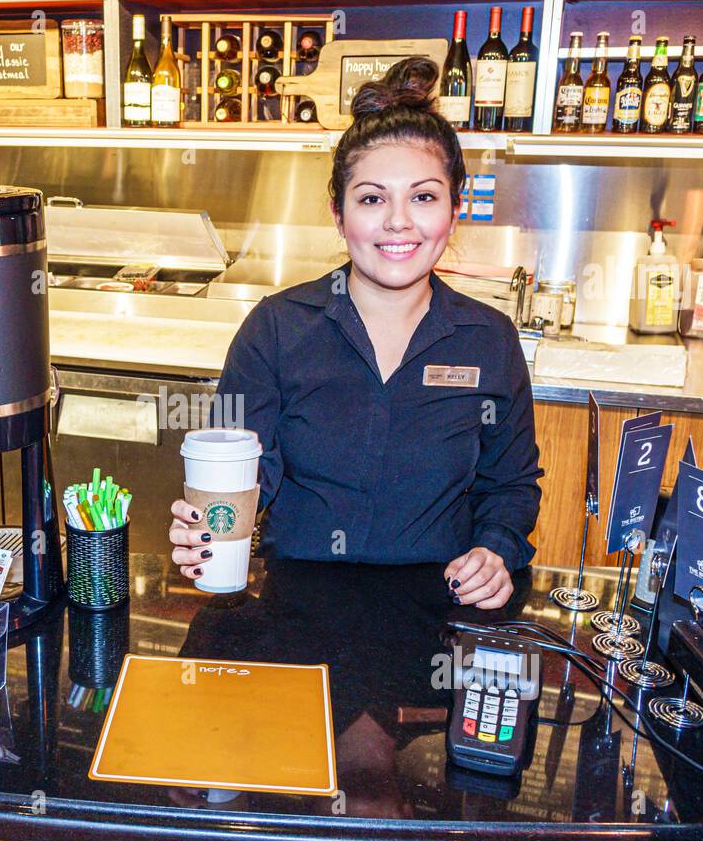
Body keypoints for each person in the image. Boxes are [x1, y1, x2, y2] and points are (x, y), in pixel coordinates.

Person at [168, 56, 542, 610]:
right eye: (371, 198)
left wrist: (495, 549)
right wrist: (210, 524)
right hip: (294, 611)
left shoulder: (489, 339)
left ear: (454, 210)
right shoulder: (276, 327)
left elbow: (509, 484)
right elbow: (245, 468)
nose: (398, 221)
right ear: (339, 215)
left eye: (423, 196)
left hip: (436, 620)